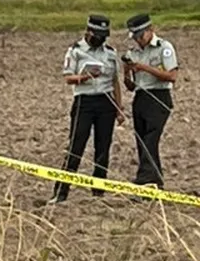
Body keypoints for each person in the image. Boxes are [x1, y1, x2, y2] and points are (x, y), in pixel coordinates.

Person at [46, 14, 124, 205]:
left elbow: (115, 82)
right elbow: (68, 77)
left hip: (106, 102)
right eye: (97, 35)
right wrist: (85, 77)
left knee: (103, 147)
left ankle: (98, 191)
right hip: (84, 102)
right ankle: (61, 191)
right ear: (88, 32)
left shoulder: (110, 53)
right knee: (76, 146)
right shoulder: (76, 51)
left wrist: (119, 107)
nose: (100, 39)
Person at [122, 12, 179, 189]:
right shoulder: (133, 52)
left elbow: (172, 75)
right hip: (141, 97)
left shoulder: (164, 47)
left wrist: (145, 68)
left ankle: (144, 178)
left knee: (151, 139)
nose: (139, 41)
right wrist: (127, 71)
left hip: (159, 97)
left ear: (151, 30)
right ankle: (155, 180)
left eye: (141, 36)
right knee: (142, 140)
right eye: (135, 37)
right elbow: (130, 86)